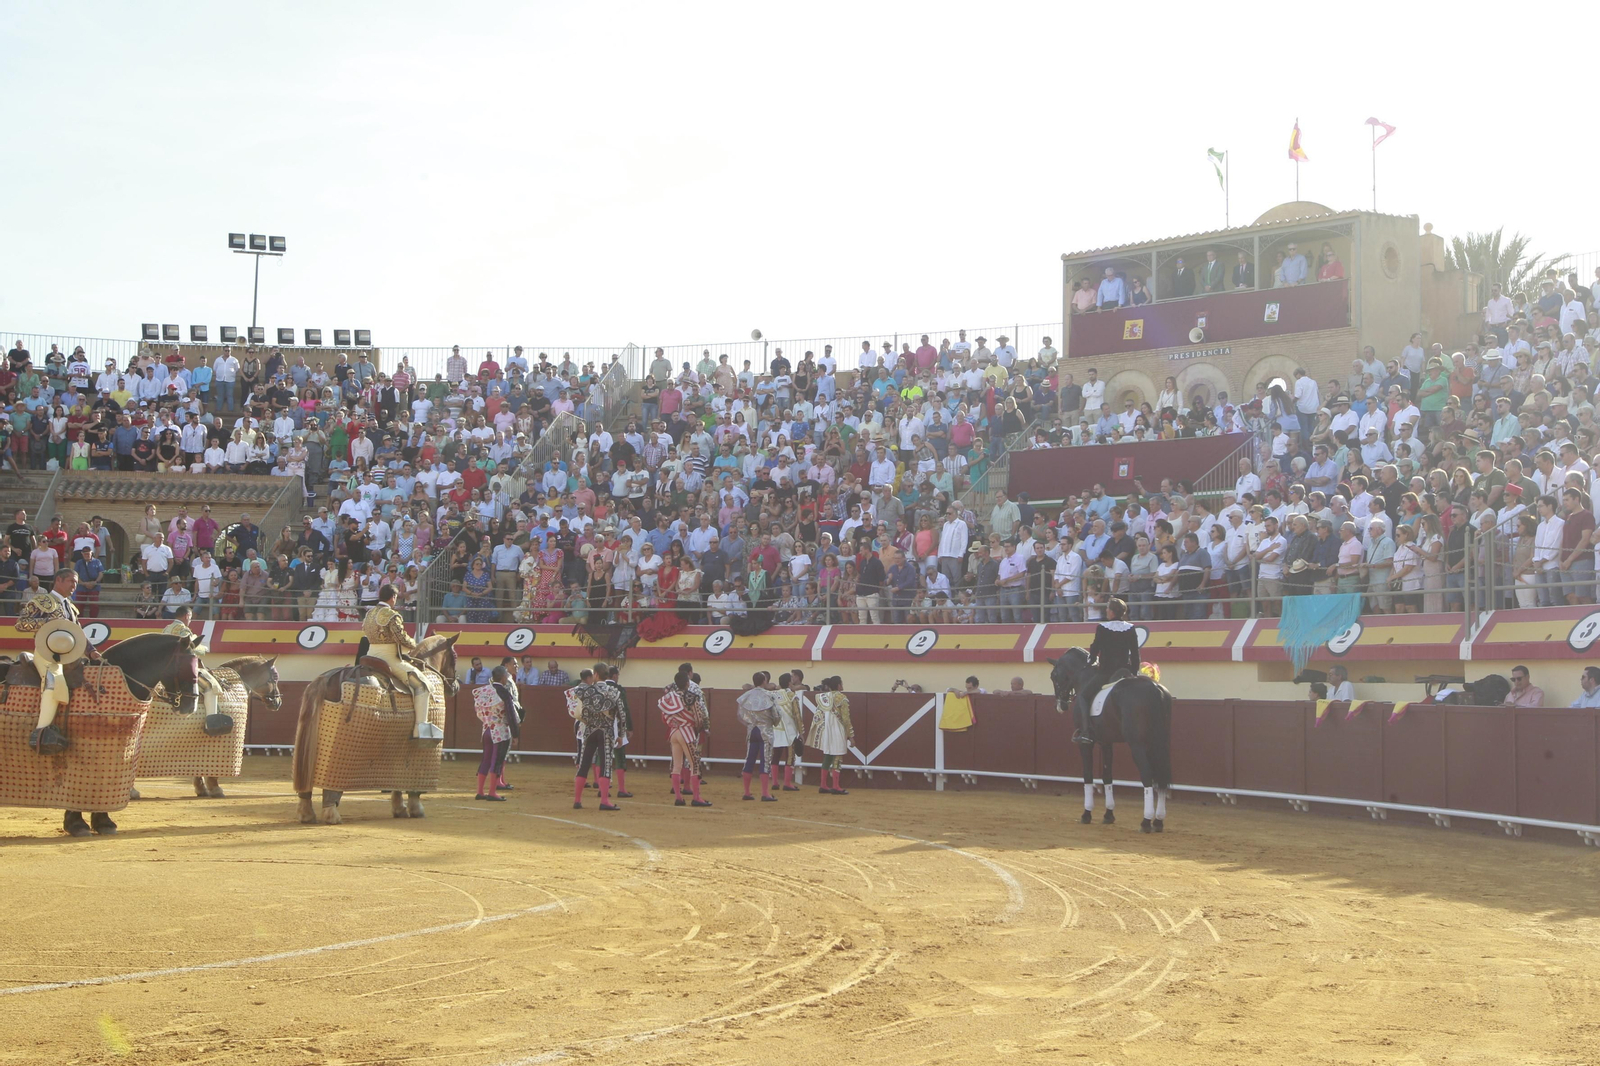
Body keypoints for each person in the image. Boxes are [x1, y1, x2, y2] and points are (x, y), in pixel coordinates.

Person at [361, 583, 444, 741]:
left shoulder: (369, 614)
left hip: (370, 655)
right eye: (396, 598)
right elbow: (401, 637)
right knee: (423, 685)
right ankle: (421, 728)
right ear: (393, 597)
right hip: (388, 658)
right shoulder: (392, 615)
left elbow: (365, 631)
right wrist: (414, 644)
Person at [1071, 596, 1141, 745]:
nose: (1106, 610)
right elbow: (1135, 654)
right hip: (1124, 672)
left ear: (1112, 612)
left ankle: (1085, 732)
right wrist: (1134, 673)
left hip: (1106, 673)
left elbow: (1095, 648)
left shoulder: (1102, 627)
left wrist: (1090, 660)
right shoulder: (1130, 627)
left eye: (1108, 608)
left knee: (1082, 696)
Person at [569, 666, 622, 811]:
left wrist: (587, 721)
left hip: (590, 730)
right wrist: (621, 735)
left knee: (584, 763)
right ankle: (604, 801)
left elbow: (578, 712)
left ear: (596, 675)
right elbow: (620, 714)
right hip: (606, 731)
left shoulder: (584, 691)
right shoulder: (613, 691)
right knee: (605, 765)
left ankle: (577, 800)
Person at [659, 664, 711, 807]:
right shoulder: (691, 697)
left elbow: (664, 717)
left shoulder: (668, 698)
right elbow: (699, 718)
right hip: (687, 732)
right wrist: (696, 728)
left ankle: (678, 798)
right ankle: (696, 798)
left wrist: (674, 724)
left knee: (676, 766)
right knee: (695, 765)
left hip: (673, 732)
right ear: (688, 682)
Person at [472, 665, 519, 801]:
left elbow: (478, 711)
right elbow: (511, 714)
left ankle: (480, 792)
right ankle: (492, 792)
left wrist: (486, 720)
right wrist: (515, 734)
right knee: (497, 761)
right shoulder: (503, 692)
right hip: (500, 731)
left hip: (486, 729)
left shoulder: (484, 691)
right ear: (503, 677)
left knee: (485, 760)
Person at [736, 671, 780, 802]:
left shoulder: (746, 696)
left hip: (752, 731)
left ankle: (747, 792)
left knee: (749, 759)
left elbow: (739, 715)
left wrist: (749, 725)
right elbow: (777, 715)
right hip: (765, 731)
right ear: (764, 681)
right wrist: (771, 724)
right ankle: (765, 793)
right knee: (765, 761)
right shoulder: (769, 695)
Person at [806, 675, 854, 795]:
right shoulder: (842, 698)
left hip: (826, 729)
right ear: (838, 685)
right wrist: (851, 735)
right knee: (837, 756)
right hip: (837, 729)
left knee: (827, 755)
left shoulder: (823, 697)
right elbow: (846, 719)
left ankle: (823, 785)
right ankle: (836, 786)